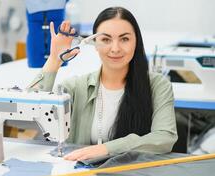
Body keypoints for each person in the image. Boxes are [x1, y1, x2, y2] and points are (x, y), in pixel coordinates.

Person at [28, 6, 178, 161]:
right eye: (106, 39)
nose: (115, 49)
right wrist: (54, 60)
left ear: (136, 42)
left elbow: (165, 137)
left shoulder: (158, 85)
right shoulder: (75, 87)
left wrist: (106, 149)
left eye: (124, 39)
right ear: (94, 43)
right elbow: (28, 113)